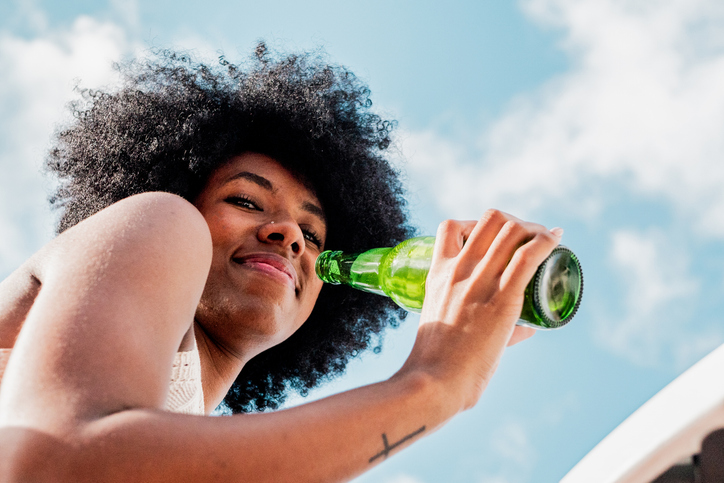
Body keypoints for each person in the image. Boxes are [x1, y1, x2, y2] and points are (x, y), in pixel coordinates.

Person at [0, 44, 561, 482]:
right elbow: (56, 467)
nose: (289, 234)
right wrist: (436, 382)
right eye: (245, 200)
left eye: (314, 234)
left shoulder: (180, 442)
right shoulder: (163, 219)